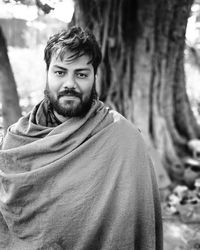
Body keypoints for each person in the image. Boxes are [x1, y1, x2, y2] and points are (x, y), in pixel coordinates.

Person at [0, 26, 163, 250]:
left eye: (81, 74)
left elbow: (136, 224)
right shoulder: (19, 141)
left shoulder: (123, 138)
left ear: (95, 76)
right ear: (47, 74)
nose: (70, 84)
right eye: (60, 72)